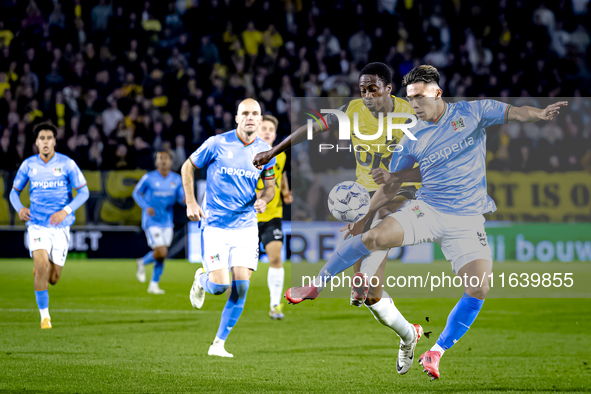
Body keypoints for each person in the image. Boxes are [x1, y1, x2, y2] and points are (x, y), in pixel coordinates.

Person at [282, 65, 568, 380]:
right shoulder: (411, 136)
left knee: (479, 287)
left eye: (419, 97)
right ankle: (316, 285)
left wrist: (539, 114)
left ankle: (436, 351)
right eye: (411, 98)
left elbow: (515, 112)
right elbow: (391, 184)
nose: (415, 104)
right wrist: (363, 217)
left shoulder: (474, 113)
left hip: (468, 218)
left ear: (436, 92)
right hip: (428, 209)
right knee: (375, 236)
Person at [253, 62, 423, 374]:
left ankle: (334, 279)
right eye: (362, 89)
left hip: (403, 195)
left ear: (389, 89)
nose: (367, 95)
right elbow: (310, 128)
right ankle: (409, 336)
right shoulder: (352, 110)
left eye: (373, 89)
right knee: (370, 297)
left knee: (383, 218)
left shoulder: (413, 116)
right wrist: (275, 151)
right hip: (363, 199)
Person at [183, 99, 276, 357]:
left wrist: (264, 199)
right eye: (245, 113)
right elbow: (188, 166)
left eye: (254, 113)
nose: (250, 117)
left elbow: (270, 186)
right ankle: (201, 280)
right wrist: (191, 201)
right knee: (219, 286)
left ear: (260, 119)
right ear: (236, 118)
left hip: (246, 227)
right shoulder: (217, 143)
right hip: (215, 226)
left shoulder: (266, 151)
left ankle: (218, 344)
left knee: (242, 287)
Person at [9, 122, 89, 329]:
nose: (45, 142)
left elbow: (84, 192)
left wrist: (65, 211)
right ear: (36, 142)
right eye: (41, 138)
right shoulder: (28, 165)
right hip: (37, 225)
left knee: (53, 278)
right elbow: (13, 192)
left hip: (61, 227)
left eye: (49, 138)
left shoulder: (67, 164)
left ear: (55, 141)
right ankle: (45, 317)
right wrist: (19, 208)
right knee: (41, 265)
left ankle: (41, 272)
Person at [133, 149, 185, 294]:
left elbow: (181, 197)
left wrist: (186, 200)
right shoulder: (148, 178)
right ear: (156, 162)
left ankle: (153, 284)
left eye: (166, 158)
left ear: (170, 161)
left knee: (161, 255)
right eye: (160, 158)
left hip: (167, 221)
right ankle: (143, 263)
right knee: (162, 251)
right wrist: (146, 206)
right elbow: (136, 193)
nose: (163, 161)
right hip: (151, 221)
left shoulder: (176, 179)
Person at [255, 115, 292, 320]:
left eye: (271, 129)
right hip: (248, 219)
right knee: (241, 269)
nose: (268, 131)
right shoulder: (247, 154)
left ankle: (275, 305)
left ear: (275, 134)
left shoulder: (280, 156)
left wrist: (286, 191)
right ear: (257, 131)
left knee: (276, 257)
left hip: (273, 215)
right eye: (264, 128)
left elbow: (282, 174)